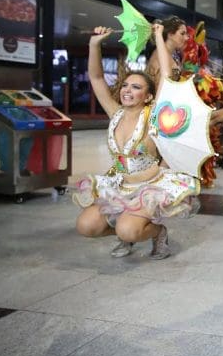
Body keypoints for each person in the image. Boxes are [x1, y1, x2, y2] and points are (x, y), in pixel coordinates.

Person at [73, 25, 200, 259]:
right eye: (125, 85)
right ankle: (127, 233)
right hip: (119, 183)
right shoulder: (115, 112)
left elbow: (166, 76)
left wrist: (159, 38)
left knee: (128, 229)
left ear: (149, 96)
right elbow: (96, 77)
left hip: (148, 185)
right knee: (86, 226)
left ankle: (157, 232)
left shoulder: (152, 116)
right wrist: (94, 44)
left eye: (136, 87)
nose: (127, 90)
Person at [146, 16, 188, 83]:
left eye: (186, 34)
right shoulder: (161, 56)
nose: (186, 38)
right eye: (182, 33)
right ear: (170, 34)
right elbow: (165, 85)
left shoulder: (167, 54)